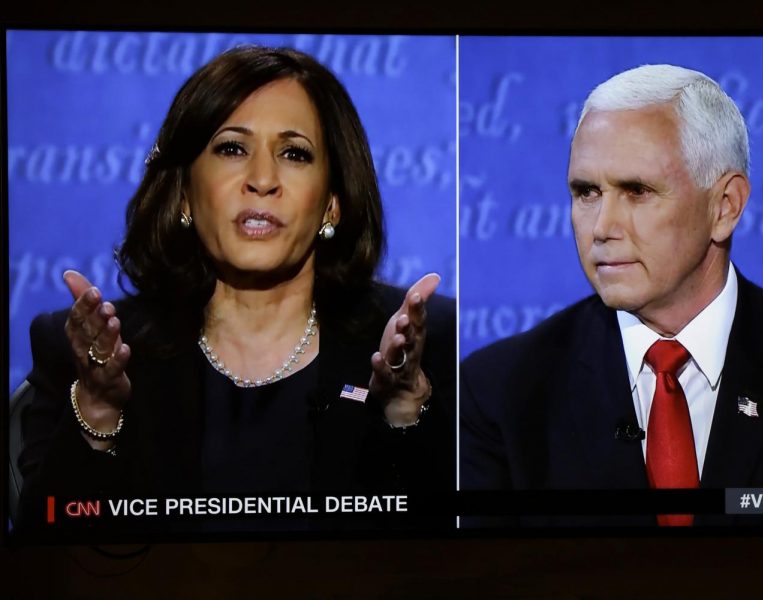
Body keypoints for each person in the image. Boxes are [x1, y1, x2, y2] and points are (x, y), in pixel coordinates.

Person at [17, 46, 455, 534]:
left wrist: (404, 411)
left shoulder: (429, 346)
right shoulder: (90, 354)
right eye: (232, 148)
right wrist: (97, 412)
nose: (262, 180)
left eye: (294, 153)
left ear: (332, 204)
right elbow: (42, 548)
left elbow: (456, 559)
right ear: (184, 192)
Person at [459, 64, 763, 528]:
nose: (602, 228)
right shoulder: (499, 394)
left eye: (637, 191)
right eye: (586, 192)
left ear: (725, 207)